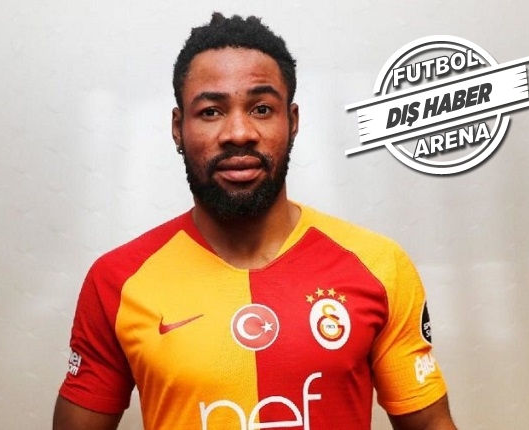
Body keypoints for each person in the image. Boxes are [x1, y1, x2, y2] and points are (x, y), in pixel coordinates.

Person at [53, 12, 457, 430]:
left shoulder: (379, 266)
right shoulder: (117, 281)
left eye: (262, 109)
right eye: (211, 111)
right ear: (178, 128)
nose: (239, 132)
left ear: (292, 122)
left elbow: (430, 424)